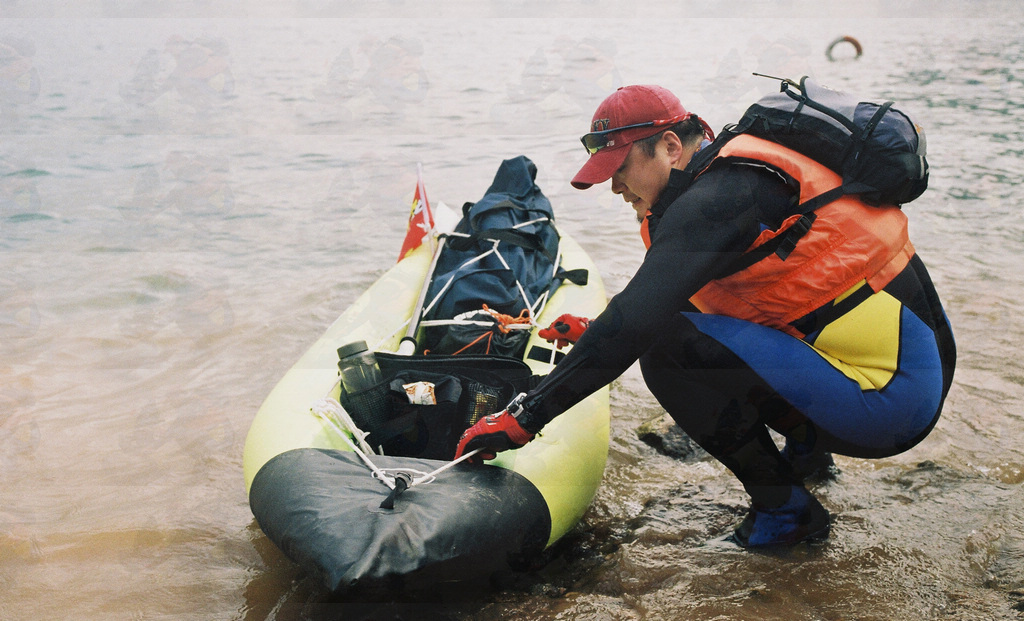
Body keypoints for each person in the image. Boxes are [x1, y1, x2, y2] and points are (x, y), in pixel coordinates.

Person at [454, 84, 956, 547]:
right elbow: (694, 306)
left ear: (671, 146)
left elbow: (639, 324)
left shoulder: (718, 201)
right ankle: (807, 459)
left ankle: (785, 512)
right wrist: (593, 332)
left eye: (620, 167)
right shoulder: (740, 181)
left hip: (890, 402)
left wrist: (524, 416)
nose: (614, 188)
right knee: (673, 333)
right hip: (911, 367)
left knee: (665, 349)